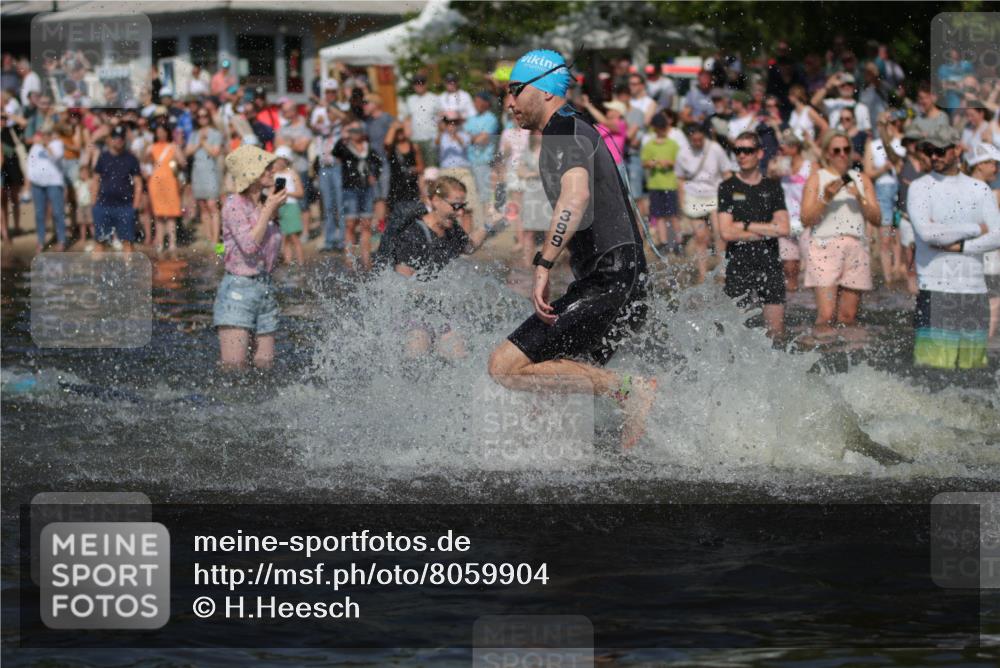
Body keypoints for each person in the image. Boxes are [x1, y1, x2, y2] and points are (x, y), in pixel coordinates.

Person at [486, 49, 657, 451]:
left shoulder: (563, 129)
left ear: (544, 91)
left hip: (610, 278)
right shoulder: (574, 127)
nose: (508, 102)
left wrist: (543, 263)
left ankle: (631, 390)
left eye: (515, 90)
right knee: (553, 381)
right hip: (619, 276)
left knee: (505, 367)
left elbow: (574, 197)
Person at [908, 125, 1000, 369]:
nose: (934, 157)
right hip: (935, 289)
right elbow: (928, 233)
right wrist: (974, 228)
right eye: (929, 151)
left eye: (940, 150)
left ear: (957, 149)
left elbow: (998, 235)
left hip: (974, 291)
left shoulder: (979, 189)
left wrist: (961, 248)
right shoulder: (919, 187)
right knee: (930, 373)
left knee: (973, 375)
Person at [391, 176, 506, 358]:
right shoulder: (413, 233)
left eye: (463, 206)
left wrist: (488, 224)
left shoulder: (451, 228)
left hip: (445, 309)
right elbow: (400, 282)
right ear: (436, 201)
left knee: (459, 356)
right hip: (415, 312)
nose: (460, 213)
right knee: (417, 352)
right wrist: (434, 290)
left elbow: (468, 246)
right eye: (455, 206)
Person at [800, 130, 880, 337]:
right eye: (836, 150)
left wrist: (861, 198)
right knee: (826, 315)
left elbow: (877, 219)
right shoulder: (817, 179)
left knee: (848, 316)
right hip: (825, 245)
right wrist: (826, 197)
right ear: (827, 153)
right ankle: (821, 355)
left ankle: (849, 359)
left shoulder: (862, 179)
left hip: (855, 246)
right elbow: (806, 219)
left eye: (846, 149)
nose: (842, 154)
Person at [214, 144, 287, 370]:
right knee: (234, 369)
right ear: (251, 173)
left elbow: (273, 252)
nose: (272, 172)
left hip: (265, 289)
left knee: (265, 369)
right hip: (238, 291)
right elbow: (248, 246)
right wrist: (268, 210)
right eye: (266, 168)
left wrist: (270, 209)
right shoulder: (234, 205)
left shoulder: (264, 204)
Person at [718, 132, 790, 339]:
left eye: (747, 150)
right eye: (737, 151)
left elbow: (784, 228)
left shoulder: (772, 186)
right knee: (733, 333)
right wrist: (766, 230)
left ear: (759, 153)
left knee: (776, 333)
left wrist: (747, 226)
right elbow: (726, 232)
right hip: (739, 265)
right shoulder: (727, 187)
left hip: (770, 265)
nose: (742, 155)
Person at [676, 123, 732, 283]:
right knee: (701, 237)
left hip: (715, 194)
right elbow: (680, 179)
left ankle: (722, 272)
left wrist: (731, 197)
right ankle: (702, 274)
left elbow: (727, 173)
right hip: (694, 196)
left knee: (720, 233)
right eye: (694, 140)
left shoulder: (714, 149)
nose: (698, 143)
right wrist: (682, 203)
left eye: (700, 139)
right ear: (689, 139)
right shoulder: (682, 153)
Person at [768, 130, 814, 292]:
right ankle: (793, 298)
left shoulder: (809, 167)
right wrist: (772, 170)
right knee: (789, 267)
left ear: (794, 148)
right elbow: (770, 184)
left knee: (811, 266)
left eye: (783, 148)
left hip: (806, 221)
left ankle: (813, 300)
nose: (780, 151)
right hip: (786, 222)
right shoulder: (781, 166)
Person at [864, 111, 906, 286]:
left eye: (892, 122)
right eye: (885, 123)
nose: (890, 125)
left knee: (899, 237)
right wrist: (883, 169)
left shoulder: (901, 142)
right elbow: (867, 172)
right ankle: (888, 277)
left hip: (901, 191)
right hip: (883, 191)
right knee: (886, 238)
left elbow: (903, 166)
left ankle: (898, 269)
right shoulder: (873, 145)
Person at [333, 119, 382, 270]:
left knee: (366, 225)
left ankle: (366, 258)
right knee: (350, 224)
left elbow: (379, 163)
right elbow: (335, 151)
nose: (355, 134)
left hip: (366, 189)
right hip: (350, 189)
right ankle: (350, 258)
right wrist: (344, 135)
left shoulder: (368, 148)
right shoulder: (345, 147)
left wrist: (375, 175)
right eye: (352, 131)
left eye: (358, 131)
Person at [963, 143, 1000, 343]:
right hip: (986, 252)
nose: (996, 168)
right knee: (993, 297)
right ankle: (986, 338)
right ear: (979, 165)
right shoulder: (990, 191)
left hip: (971, 251)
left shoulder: (962, 187)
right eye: (992, 164)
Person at [92, 125, 142, 252]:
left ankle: (130, 271)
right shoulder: (103, 157)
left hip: (125, 206)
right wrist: (94, 204)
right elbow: (95, 180)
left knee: (128, 243)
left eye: (121, 138)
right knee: (100, 242)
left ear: (124, 140)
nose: (118, 140)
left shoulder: (131, 159)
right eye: (115, 137)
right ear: (110, 139)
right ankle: (98, 271)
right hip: (103, 205)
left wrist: (135, 206)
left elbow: (138, 183)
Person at [640, 112, 680, 252]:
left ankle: (677, 242)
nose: (661, 130)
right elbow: (644, 163)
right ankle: (663, 242)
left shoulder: (672, 144)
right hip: (655, 184)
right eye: (659, 127)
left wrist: (669, 162)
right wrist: (651, 163)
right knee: (658, 214)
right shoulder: (649, 145)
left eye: (662, 127)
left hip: (670, 183)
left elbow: (680, 162)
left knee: (673, 214)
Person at [185, 106, 223, 246]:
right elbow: (188, 152)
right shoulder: (194, 134)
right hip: (198, 172)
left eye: (205, 116)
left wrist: (204, 143)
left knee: (212, 205)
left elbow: (215, 152)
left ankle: (216, 240)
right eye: (199, 116)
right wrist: (198, 142)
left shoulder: (215, 134)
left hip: (210, 171)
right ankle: (208, 239)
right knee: (203, 206)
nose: (202, 119)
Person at [146, 120, 185, 252]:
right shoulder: (152, 147)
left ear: (167, 133)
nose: (161, 134)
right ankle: (160, 243)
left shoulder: (173, 146)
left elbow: (183, 163)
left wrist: (177, 156)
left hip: (170, 182)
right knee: (158, 214)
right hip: (156, 183)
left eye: (163, 132)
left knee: (171, 214)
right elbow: (144, 161)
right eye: (158, 132)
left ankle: (172, 243)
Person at [26, 125, 67, 252]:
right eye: (43, 134)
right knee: (39, 214)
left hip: (54, 183)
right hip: (37, 185)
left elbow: (56, 156)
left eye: (47, 134)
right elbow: (29, 167)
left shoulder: (57, 144)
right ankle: (41, 241)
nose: (44, 136)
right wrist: (26, 187)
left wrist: (46, 145)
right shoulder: (35, 147)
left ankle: (61, 240)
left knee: (57, 213)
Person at [363, 93, 394, 228]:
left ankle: (387, 226)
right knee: (377, 197)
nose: (364, 106)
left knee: (386, 196)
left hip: (386, 162)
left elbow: (399, 126)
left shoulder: (386, 118)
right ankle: (382, 227)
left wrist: (389, 140)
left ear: (375, 104)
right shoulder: (368, 122)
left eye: (366, 103)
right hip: (373, 163)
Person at [271, 146, 305, 266]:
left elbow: (301, 193)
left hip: (291, 206)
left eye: (282, 159)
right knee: (284, 237)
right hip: (279, 207)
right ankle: (288, 262)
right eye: (278, 159)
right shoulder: (273, 174)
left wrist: (285, 192)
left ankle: (301, 263)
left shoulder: (292, 174)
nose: (279, 162)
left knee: (294, 237)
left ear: (287, 161)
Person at [384, 120, 424, 217]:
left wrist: (413, 170)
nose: (400, 133)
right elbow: (387, 142)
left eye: (402, 131)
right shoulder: (391, 149)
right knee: (396, 216)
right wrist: (394, 127)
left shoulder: (413, 147)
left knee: (413, 216)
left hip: (411, 186)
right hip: (396, 187)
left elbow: (421, 168)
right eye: (398, 131)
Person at [400, 74, 440, 166]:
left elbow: (440, 117)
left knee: (432, 169)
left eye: (421, 83)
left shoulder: (434, 98)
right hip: (415, 139)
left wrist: (439, 136)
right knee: (419, 170)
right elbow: (406, 117)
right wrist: (407, 131)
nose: (419, 85)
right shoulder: (410, 99)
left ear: (426, 84)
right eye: (416, 83)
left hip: (430, 139)